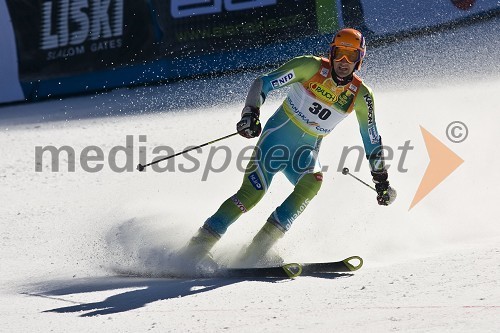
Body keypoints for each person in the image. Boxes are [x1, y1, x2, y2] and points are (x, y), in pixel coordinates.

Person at [182, 28, 396, 268]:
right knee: (251, 195)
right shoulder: (309, 67)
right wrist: (250, 113)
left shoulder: (361, 96)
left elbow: (372, 138)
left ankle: (256, 252)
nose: (344, 62)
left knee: (313, 181)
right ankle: (196, 248)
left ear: (360, 59)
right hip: (275, 143)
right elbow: (263, 83)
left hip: (303, 154)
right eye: (339, 54)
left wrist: (381, 179)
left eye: (351, 56)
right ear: (331, 53)